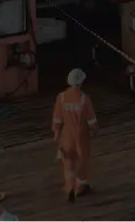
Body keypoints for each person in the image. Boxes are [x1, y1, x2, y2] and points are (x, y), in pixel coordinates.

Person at [52, 68, 99, 203]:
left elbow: (57, 118)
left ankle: (69, 186)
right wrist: (95, 130)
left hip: (66, 135)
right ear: (81, 83)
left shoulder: (61, 97)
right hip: (81, 134)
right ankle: (80, 185)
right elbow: (91, 121)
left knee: (68, 160)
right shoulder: (84, 99)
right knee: (82, 160)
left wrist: (56, 134)